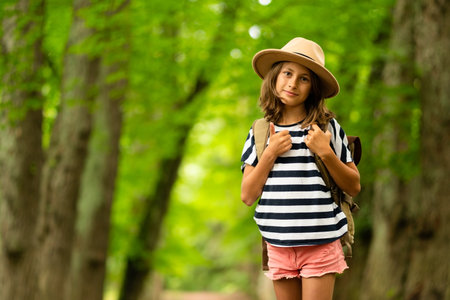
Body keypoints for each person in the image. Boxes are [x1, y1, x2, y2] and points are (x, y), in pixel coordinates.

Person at [240, 37, 361, 300]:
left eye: (304, 78)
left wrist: (326, 152)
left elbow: (353, 185)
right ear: (274, 77)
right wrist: (270, 152)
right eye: (287, 73)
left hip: (320, 242)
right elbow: (248, 195)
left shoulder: (328, 129)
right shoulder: (260, 132)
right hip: (278, 245)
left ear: (313, 88)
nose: (293, 83)